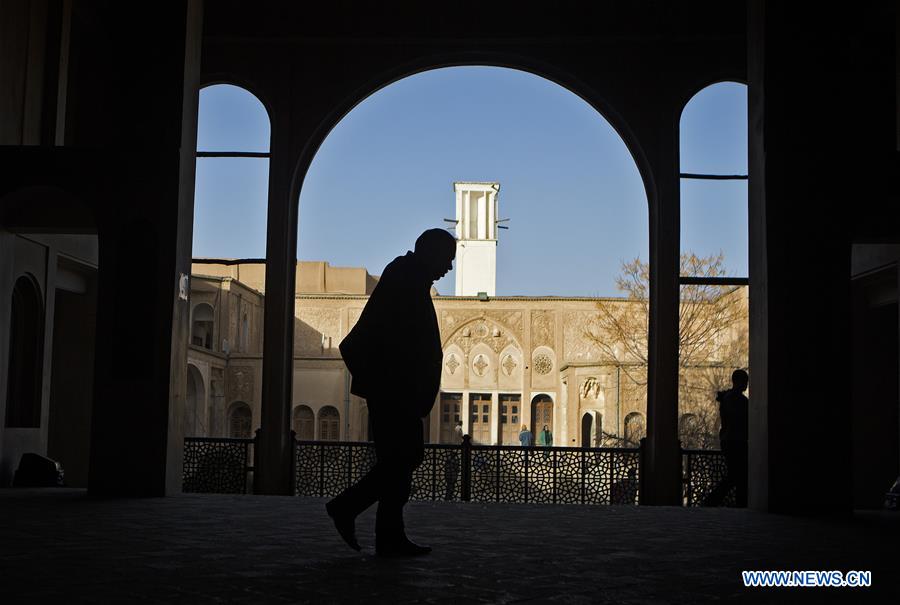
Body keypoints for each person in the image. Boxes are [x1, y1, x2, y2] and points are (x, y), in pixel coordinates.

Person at [325, 228, 455, 557]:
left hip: (399, 391)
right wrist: (398, 385)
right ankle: (347, 507)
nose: (449, 268)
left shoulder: (411, 279)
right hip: (394, 391)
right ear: (431, 253)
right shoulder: (405, 279)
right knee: (404, 458)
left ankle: (389, 537)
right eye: (447, 259)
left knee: (398, 462)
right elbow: (394, 341)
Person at [704, 369, 749, 507]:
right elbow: (739, 420)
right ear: (738, 382)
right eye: (745, 381)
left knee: (737, 476)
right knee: (737, 476)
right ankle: (713, 501)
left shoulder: (729, 398)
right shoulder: (737, 400)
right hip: (735, 441)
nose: (746, 385)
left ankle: (715, 501)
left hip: (731, 440)